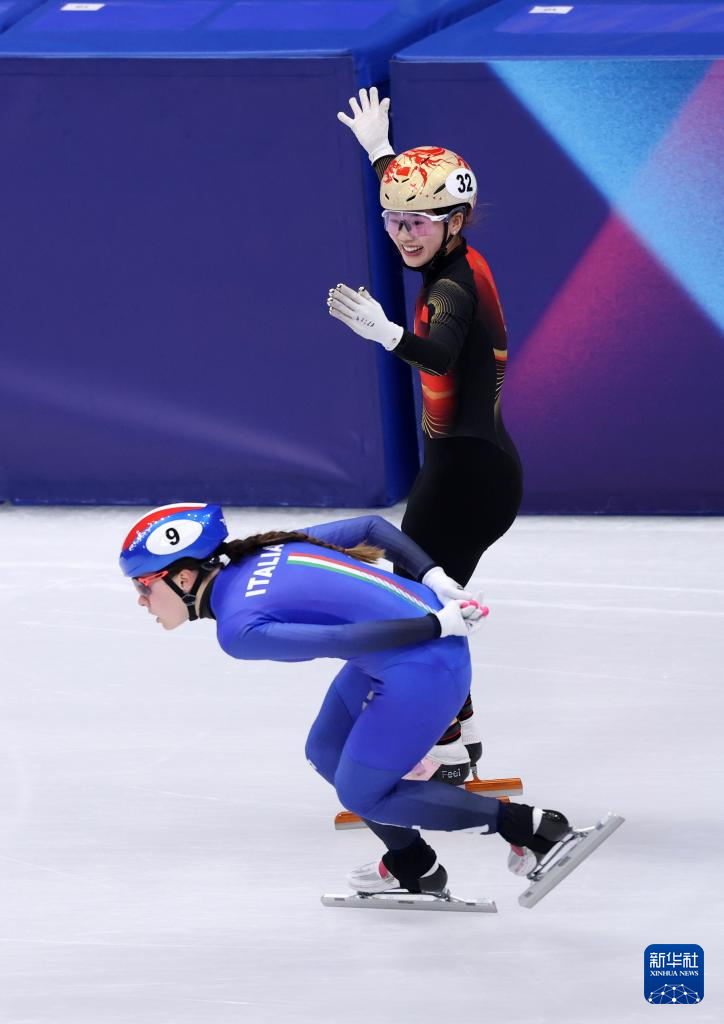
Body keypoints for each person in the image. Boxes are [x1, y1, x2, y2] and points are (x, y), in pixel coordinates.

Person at [119, 502, 570, 897]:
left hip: (422, 664)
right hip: (412, 641)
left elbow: (340, 638)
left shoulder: (237, 629)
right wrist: (435, 578)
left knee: (362, 793)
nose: (141, 600)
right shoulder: (261, 550)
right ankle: (413, 864)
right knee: (325, 750)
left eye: (143, 586)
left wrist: (435, 627)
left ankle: (531, 828)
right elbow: (372, 527)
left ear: (183, 577)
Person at [329, 88, 525, 876]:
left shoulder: (455, 284)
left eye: (417, 221)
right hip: (466, 467)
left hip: (469, 479)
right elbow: (414, 199)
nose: (403, 233)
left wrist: (386, 334)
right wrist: (383, 154)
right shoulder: (447, 251)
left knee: (418, 615)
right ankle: (457, 743)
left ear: (457, 220)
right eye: (392, 220)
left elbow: (440, 353)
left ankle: (442, 754)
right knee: (424, 607)